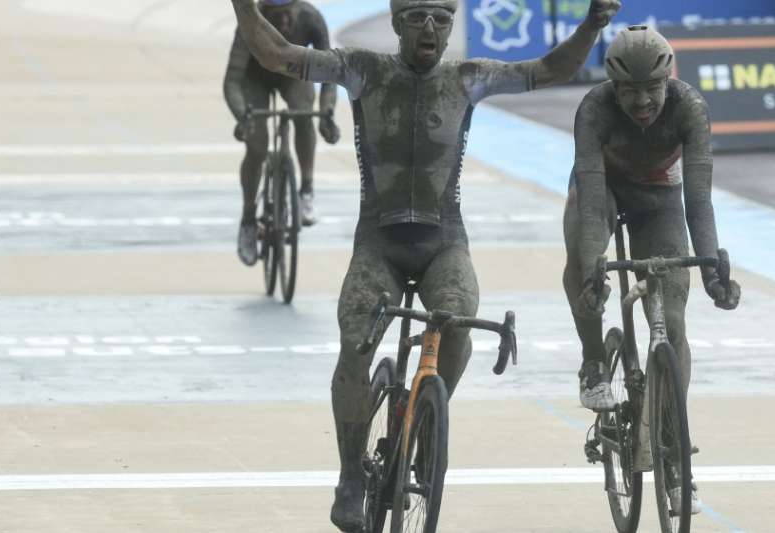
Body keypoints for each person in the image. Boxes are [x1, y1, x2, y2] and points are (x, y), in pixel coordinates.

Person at [228, 0, 620, 529]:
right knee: (354, 345)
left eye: (442, 18)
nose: (431, 28)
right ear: (396, 23)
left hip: (443, 244)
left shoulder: (468, 77)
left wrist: (592, 24)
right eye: (418, 18)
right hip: (379, 245)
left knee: (458, 321)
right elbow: (276, 54)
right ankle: (348, 475)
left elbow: (548, 69)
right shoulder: (362, 68)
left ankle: (425, 419)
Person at [563, 26, 741, 513]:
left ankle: (674, 450)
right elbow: (593, 200)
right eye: (630, 92)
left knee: (675, 323)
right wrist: (592, 271)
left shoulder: (690, 109)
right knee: (584, 253)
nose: (642, 102)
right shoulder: (594, 110)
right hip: (602, 189)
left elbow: (697, 201)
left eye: (652, 90)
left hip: (660, 198)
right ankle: (594, 360)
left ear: (670, 81)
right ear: (612, 88)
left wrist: (711, 272)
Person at [224, 0, 340, 266]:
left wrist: (327, 113)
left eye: (289, 14)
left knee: (303, 113)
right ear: (264, 12)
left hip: (293, 74)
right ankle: (249, 218)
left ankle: (307, 188)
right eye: (277, 16)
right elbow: (232, 81)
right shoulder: (250, 24)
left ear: (299, 7)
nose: (285, 22)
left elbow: (331, 74)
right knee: (257, 146)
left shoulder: (311, 18)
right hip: (254, 80)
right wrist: (244, 117)